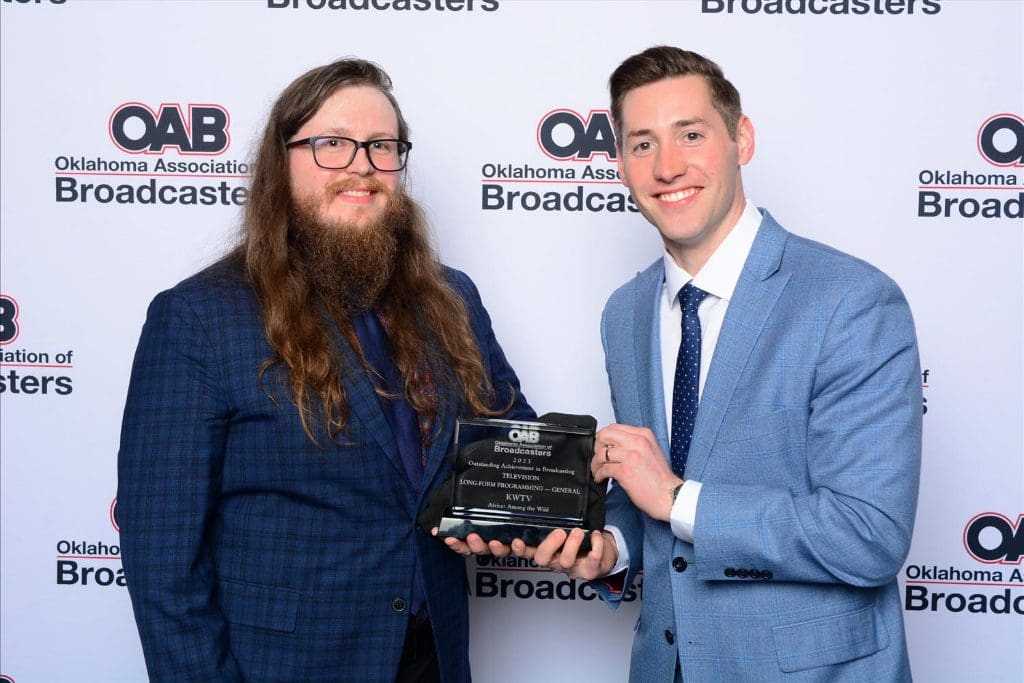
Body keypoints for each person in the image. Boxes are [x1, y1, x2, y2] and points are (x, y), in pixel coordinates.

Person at [507, 46, 922, 681]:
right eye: (642, 144)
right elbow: (650, 496)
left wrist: (676, 498)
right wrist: (610, 550)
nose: (668, 166)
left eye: (691, 135)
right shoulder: (625, 312)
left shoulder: (850, 301)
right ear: (620, 164)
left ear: (741, 140)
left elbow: (868, 535)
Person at [117, 57, 532, 683]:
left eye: (382, 146)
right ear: (280, 164)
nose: (362, 165)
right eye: (332, 144)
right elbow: (163, 558)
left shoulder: (452, 298)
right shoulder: (200, 317)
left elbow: (505, 435)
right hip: (285, 666)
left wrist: (583, 487)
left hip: (433, 658)